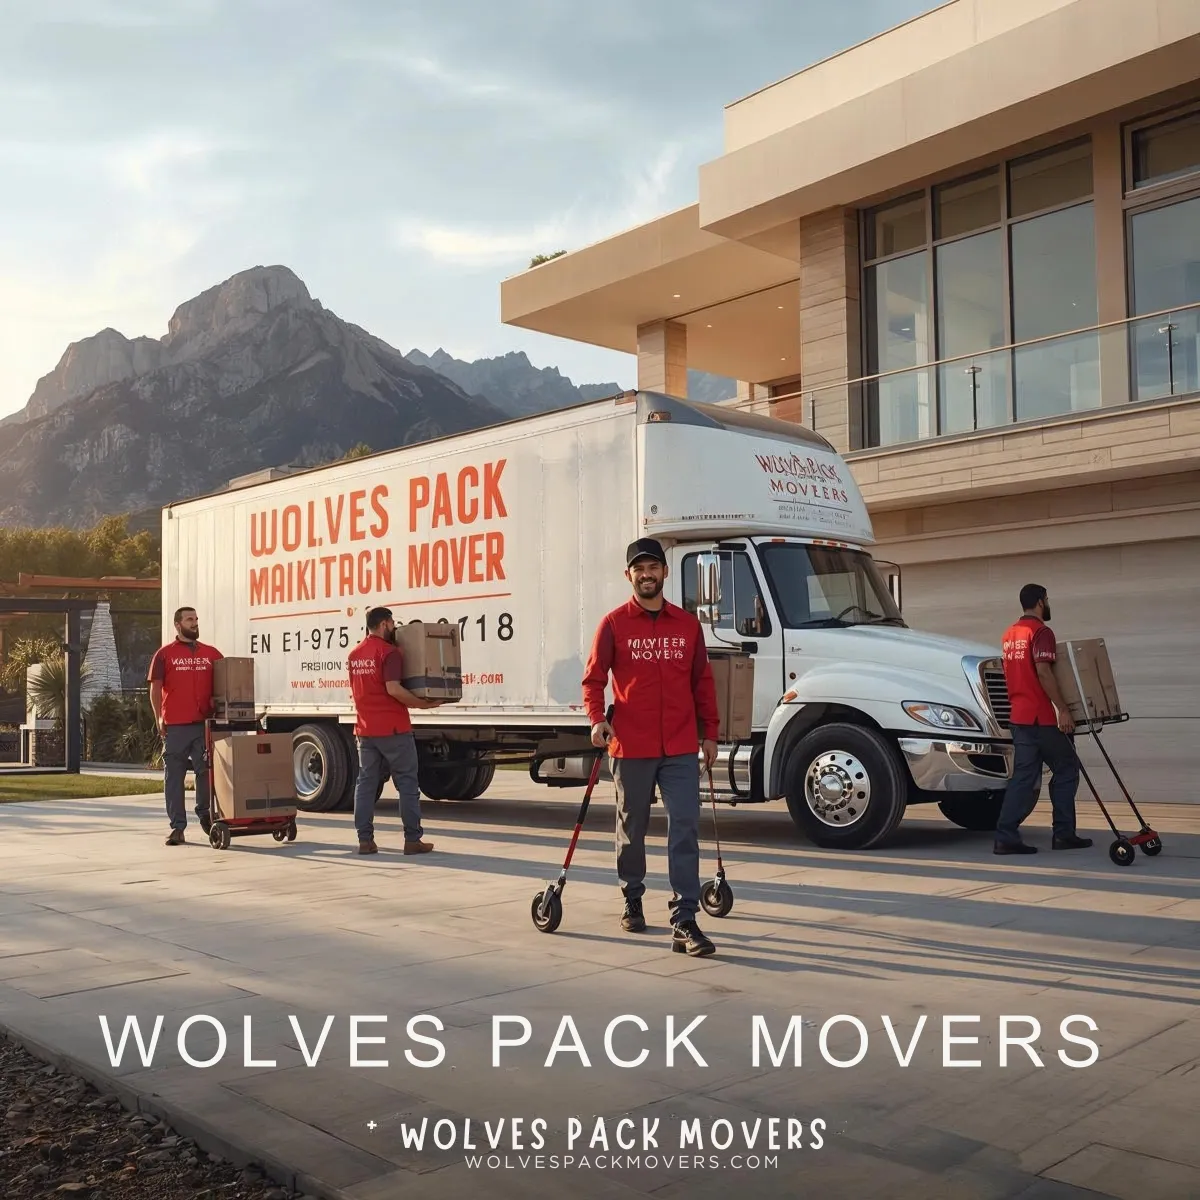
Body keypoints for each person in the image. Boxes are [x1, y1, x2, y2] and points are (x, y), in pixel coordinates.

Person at [582, 537, 721, 957]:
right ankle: (632, 895)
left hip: (679, 745)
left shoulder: (687, 625)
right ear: (629, 575)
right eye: (639, 569)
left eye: (653, 567)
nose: (647, 575)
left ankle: (685, 918)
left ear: (664, 572)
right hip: (631, 746)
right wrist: (597, 719)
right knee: (632, 829)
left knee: (685, 826)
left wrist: (710, 732)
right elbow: (593, 679)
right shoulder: (613, 624)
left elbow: (702, 682)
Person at [994, 584, 1093, 855]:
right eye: (1047, 599)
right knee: (1067, 768)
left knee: (1023, 778)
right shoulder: (1041, 632)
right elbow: (1044, 672)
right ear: (1040, 602)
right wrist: (1063, 709)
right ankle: (1063, 834)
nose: (1048, 604)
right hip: (1042, 717)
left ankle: (1005, 837)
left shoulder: (1009, 634)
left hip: (1019, 716)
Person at [347, 606, 441, 855]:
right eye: (391, 623)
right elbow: (393, 689)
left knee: (365, 784)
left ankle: (365, 841)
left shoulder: (355, 654)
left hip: (365, 730)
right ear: (384, 624)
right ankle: (412, 840)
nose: (394, 627)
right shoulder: (389, 653)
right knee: (407, 783)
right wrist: (423, 704)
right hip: (393, 729)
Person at [148, 607, 223, 846]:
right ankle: (177, 827)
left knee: (206, 773)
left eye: (196, 619)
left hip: (204, 725)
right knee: (174, 777)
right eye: (190, 619)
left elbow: (225, 682)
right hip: (176, 726)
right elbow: (155, 689)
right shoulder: (164, 654)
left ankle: (205, 815)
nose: (195, 622)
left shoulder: (211, 653)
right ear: (178, 624)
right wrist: (159, 717)